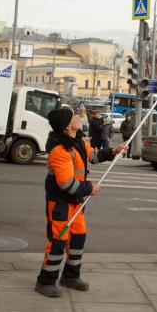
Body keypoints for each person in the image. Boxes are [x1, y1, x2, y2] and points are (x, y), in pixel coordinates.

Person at [35, 106, 126, 298]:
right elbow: (66, 184)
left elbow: (93, 156)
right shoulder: (60, 151)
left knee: (78, 237)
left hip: (75, 202)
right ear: (68, 126)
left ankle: (70, 277)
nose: (77, 117)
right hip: (60, 203)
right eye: (73, 116)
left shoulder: (78, 142)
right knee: (58, 242)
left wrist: (113, 151)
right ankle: (45, 281)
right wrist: (89, 189)